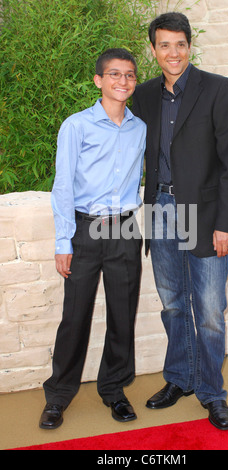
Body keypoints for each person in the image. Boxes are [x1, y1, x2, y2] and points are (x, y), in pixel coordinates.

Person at [132, 12, 228, 431]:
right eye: (164, 45)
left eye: (180, 44)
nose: (173, 52)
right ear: (154, 50)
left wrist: (227, 224)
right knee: (173, 303)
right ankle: (179, 378)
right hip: (160, 210)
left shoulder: (217, 88)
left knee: (211, 310)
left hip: (206, 214)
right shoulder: (143, 96)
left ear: (189, 46)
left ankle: (212, 393)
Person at [39, 48, 146, 430]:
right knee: (75, 316)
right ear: (98, 80)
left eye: (130, 75)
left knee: (122, 314)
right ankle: (58, 396)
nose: (123, 81)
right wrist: (63, 241)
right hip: (85, 230)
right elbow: (63, 185)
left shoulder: (140, 127)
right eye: (114, 74)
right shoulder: (77, 126)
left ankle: (114, 390)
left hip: (126, 229)